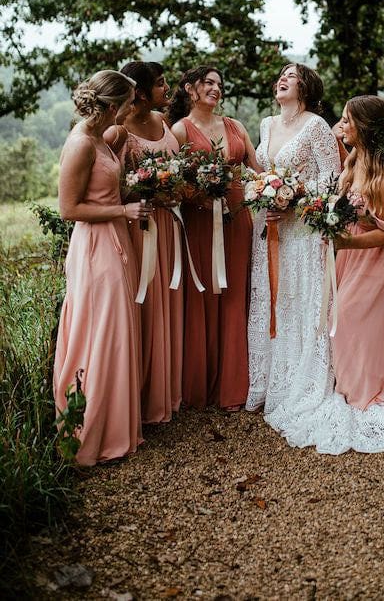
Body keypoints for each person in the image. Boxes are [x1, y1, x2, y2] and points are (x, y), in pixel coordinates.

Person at [248, 75, 384, 454]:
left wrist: (345, 238)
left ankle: (371, 392)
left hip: (376, 262)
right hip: (350, 257)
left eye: (346, 121)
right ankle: (350, 388)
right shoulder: (353, 161)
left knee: (352, 319)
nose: (340, 127)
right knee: (340, 323)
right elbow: (337, 204)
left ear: (363, 128)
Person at [53, 70, 147, 466]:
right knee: (100, 333)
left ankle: (117, 428)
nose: (130, 112)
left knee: (117, 333)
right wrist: (121, 210)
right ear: (111, 107)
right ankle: (88, 433)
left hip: (115, 241)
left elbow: (105, 186)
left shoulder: (102, 138)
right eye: (127, 105)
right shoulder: (79, 144)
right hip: (94, 248)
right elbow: (69, 208)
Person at [246, 62, 341, 416]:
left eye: (292, 75)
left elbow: (334, 179)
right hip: (270, 231)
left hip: (302, 230)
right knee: (275, 301)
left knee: (301, 300)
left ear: (306, 87)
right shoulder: (266, 124)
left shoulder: (316, 126)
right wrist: (262, 193)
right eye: (281, 74)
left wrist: (292, 197)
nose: (283, 78)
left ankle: (302, 382)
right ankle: (271, 382)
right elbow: (262, 172)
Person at [169, 65, 257, 411]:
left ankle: (233, 387)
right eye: (209, 83)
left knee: (236, 292)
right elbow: (173, 184)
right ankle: (200, 387)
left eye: (219, 84)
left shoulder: (235, 126)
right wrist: (198, 195)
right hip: (201, 221)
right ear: (191, 89)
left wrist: (280, 190)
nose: (216, 89)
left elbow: (256, 171)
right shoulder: (179, 130)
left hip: (237, 219)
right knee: (203, 295)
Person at [105, 61, 184, 425]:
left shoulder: (164, 123)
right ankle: (140, 400)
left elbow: (178, 167)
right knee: (147, 307)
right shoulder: (118, 133)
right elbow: (110, 188)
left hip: (169, 225)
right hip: (141, 230)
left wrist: (179, 188)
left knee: (168, 303)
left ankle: (164, 397)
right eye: (161, 83)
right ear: (140, 90)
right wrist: (143, 191)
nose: (167, 89)